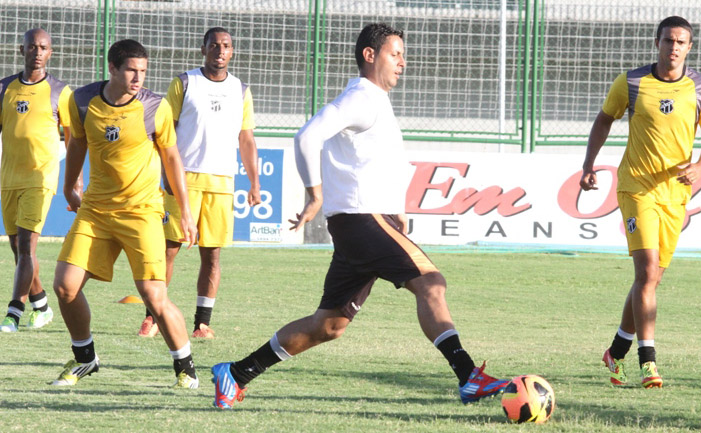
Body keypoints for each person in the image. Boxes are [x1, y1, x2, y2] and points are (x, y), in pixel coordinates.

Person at [209, 23, 508, 410]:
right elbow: (306, 137)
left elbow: (373, 161)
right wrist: (315, 194)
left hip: (363, 222)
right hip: (361, 220)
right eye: (395, 53)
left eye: (403, 54)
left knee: (329, 325)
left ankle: (235, 373)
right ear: (370, 55)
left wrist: (395, 208)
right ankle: (469, 377)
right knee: (431, 283)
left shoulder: (375, 100)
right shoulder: (361, 97)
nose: (403, 61)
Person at [580, 16, 701, 389]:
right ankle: (649, 361)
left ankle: (616, 351)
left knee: (652, 277)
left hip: (675, 194)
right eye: (668, 40)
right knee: (646, 272)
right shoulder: (632, 82)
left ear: (689, 48)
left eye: (680, 42)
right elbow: (603, 119)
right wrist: (588, 165)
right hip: (636, 188)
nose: (673, 47)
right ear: (656, 43)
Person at [51, 39, 200, 388]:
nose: (138, 77)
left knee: (153, 295)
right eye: (132, 70)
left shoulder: (154, 106)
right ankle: (85, 359)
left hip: (142, 212)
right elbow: (77, 143)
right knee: (65, 287)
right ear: (113, 69)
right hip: (96, 211)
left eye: (143, 71)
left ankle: (185, 366)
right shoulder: (82, 100)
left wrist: (187, 211)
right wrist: (69, 184)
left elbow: (172, 157)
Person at [136, 27, 261, 339]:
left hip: (221, 182)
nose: (220, 51)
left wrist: (254, 182)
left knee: (212, 254)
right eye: (215, 45)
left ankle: (202, 322)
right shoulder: (184, 83)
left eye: (226, 46)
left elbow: (246, 139)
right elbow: (165, 131)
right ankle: (153, 316)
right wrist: (165, 173)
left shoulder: (240, 90)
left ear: (232, 51)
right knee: (168, 250)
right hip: (184, 179)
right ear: (203, 48)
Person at [0, 29, 78, 333]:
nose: (37, 51)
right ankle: (42, 306)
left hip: (41, 177)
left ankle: (13, 313)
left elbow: (74, 141)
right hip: (9, 178)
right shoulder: (5, 88)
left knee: (27, 245)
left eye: (43, 47)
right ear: (22, 50)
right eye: (32, 46)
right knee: (17, 247)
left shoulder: (61, 91)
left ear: (50, 53)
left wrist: (75, 182)